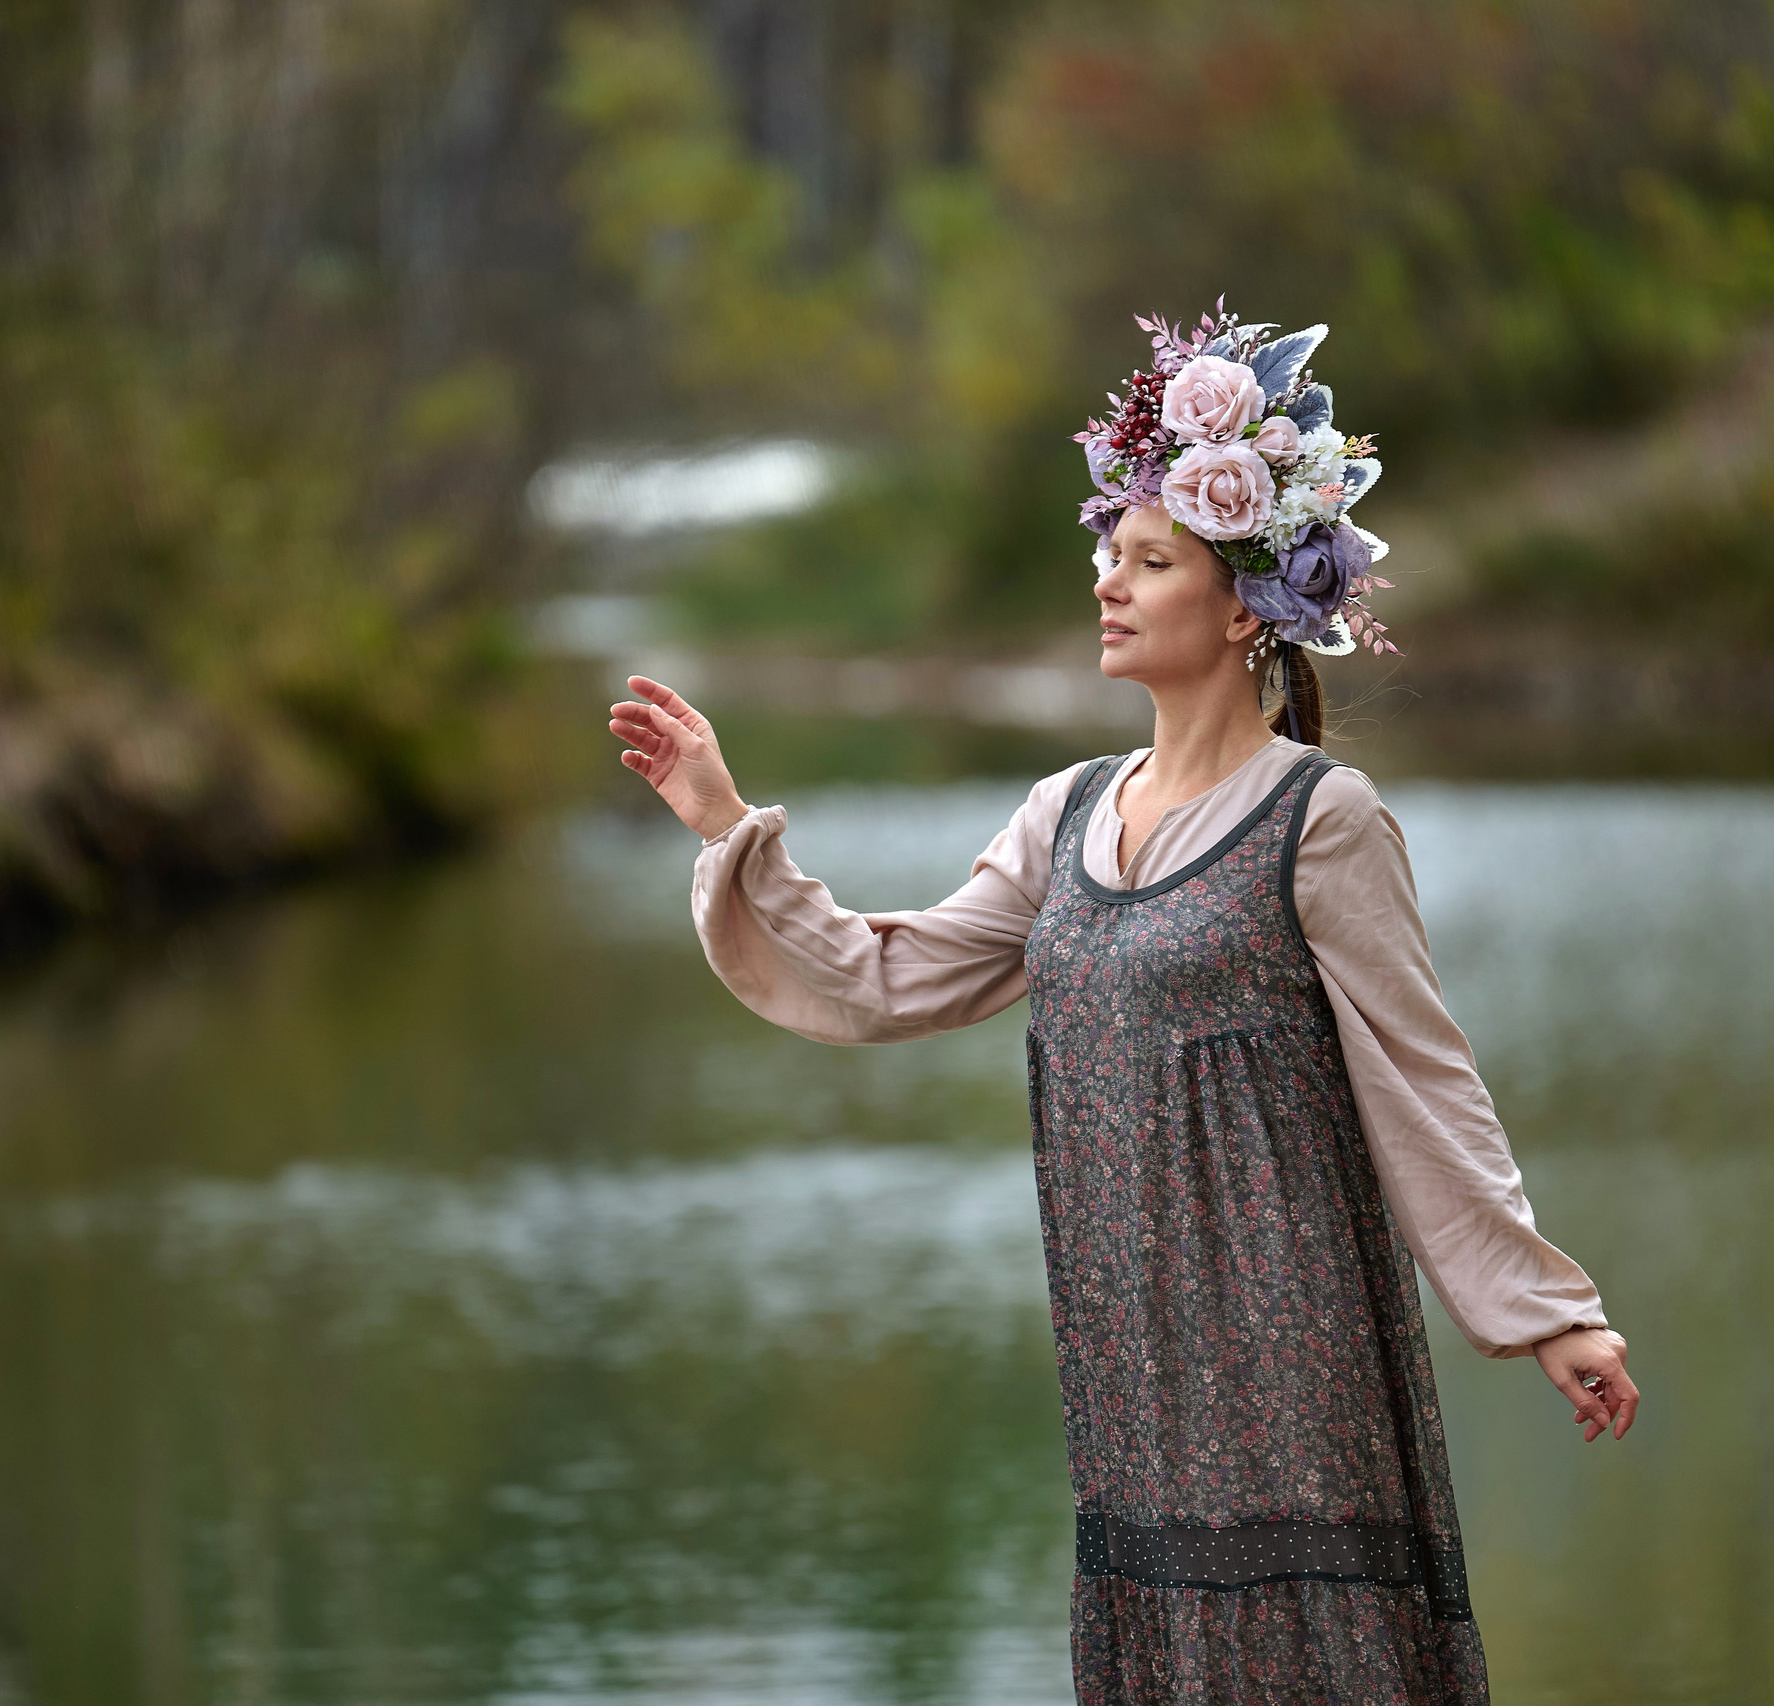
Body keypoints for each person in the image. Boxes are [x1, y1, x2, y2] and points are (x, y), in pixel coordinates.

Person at [604, 306, 1637, 1705]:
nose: (1109, 582)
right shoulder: (1065, 812)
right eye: (1109, 554)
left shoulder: (1319, 818)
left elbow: (1425, 1080)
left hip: (1290, 1346)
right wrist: (726, 819)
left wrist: (1544, 1310)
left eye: (1150, 561)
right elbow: (885, 972)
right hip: (1132, 1356)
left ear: (1242, 606)